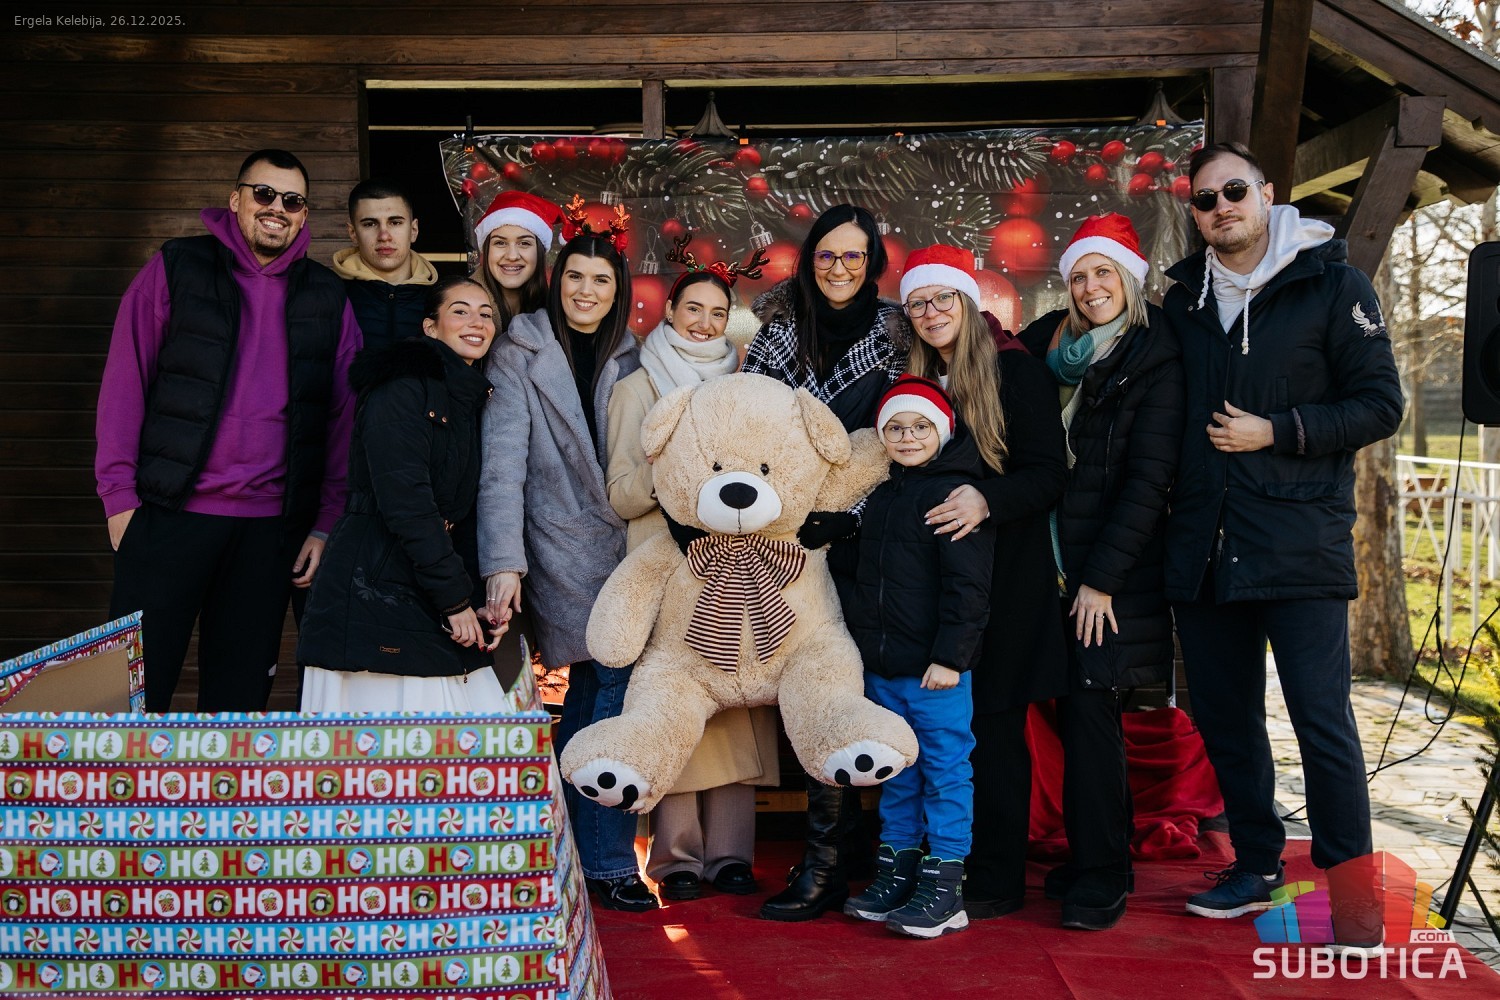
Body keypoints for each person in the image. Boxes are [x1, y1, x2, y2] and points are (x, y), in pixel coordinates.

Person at [1162, 142, 1402, 922]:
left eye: (1234, 190)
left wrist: (1279, 430)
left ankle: (1354, 896)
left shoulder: (1331, 284)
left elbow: (1380, 405)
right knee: (1227, 724)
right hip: (1206, 548)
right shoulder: (1183, 300)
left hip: (1299, 545)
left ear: (1267, 194)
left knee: (1321, 721)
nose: (1221, 207)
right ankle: (1256, 864)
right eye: (1205, 199)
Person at [96, 148, 361, 712]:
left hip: (268, 531)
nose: (277, 208)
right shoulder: (177, 267)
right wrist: (118, 497)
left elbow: (343, 417)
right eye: (264, 194)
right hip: (168, 515)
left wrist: (325, 522)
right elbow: (125, 380)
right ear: (235, 200)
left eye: (293, 201)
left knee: (238, 702)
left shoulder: (326, 295)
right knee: (132, 693)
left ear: (304, 216)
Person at [476, 205, 652, 911]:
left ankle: (575, 854)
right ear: (557, 281)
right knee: (609, 689)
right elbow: (502, 467)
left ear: (618, 291)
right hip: (556, 544)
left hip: (628, 547)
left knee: (595, 693)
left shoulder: (631, 354)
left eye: (601, 280)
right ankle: (606, 862)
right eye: (575, 276)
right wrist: (503, 561)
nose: (586, 290)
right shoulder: (519, 350)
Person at [741, 203, 910, 922]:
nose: (839, 268)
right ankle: (827, 862)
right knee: (817, 687)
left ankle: (866, 852)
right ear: (810, 261)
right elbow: (749, 427)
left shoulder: (898, 334)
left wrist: (856, 515)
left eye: (853, 256)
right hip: (793, 538)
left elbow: (910, 437)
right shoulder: (779, 332)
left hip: (876, 537)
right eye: (826, 255)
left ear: (872, 263)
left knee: (871, 690)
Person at [1019, 214, 1185, 931]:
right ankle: (1096, 850)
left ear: (1130, 280)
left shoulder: (1154, 357)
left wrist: (1102, 580)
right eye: (1079, 275)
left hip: (1109, 575)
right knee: (1073, 710)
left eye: (1104, 273)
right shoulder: (1050, 346)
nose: (1090, 288)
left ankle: (1103, 875)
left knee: (1093, 713)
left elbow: (1150, 482)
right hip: (1050, 562)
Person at [605, 241, 778, 902]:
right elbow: (621, 493)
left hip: (736, 566)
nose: (705, 323)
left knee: (735, 706)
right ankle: (675, 857)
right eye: (693, 309)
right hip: (669, 567)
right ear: (669, 312)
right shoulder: (636, 387)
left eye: (717, 312)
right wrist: (675, 471)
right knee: (676, 707)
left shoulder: (743, 387)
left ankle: (732, 854)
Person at [900, 244, 1068, 919]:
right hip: (931, 583)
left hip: (1006, 580)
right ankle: (930, 860)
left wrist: (986, 499)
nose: (931, 312)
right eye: (918, 303)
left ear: (967, 303)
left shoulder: (1015, 372)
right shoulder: (913, 379)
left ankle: (996, 875)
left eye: (942, 298)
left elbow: (1049, 474)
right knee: (932, 727)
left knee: (992, 729)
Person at [297, 276, 505, 710]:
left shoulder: (465, 397)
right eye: (460, 311)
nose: (477, 322)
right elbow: (407, 502)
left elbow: (458, 514)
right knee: (395, 738)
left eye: (486, 314)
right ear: (430, 326)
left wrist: (471, 600)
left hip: (422, 581)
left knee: (466, 728)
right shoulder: (402, 386)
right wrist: (455, 600)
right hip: (374, 582)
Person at [842, 377, 993, 939]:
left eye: (921, 426)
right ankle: (897, 872)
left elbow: (969, 587)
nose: (908, 437)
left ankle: (945, 885)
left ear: (943, 431)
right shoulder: (882, 496)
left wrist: (952, 656)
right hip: (884, 668)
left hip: (936, 672)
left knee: (945, 773)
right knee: (898, 776)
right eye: (896, 428)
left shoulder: (953, 495)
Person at [332, 178, 438, 350]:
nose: (384, 236)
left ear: (413, 230)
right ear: (353, 233)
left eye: (395, 223)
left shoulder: (441, 299)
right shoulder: (329, 295)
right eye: (370, 224)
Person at [473, 190, 562, 331]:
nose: (512, 256)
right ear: (486, 249)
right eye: (500, 243)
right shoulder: (458, 304)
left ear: (540, 252)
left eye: (524, 243)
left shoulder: (557, 313)